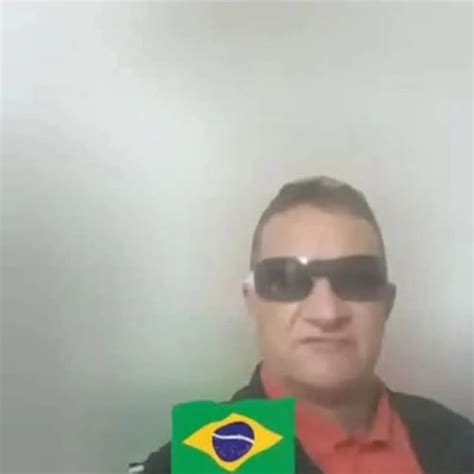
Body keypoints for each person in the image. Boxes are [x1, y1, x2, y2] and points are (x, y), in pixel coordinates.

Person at [142, 176, 473, 474]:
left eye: (356, 279)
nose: (327, 313)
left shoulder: (458, 442)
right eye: (287, 281)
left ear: (387, 304)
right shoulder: (191, 465)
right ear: (252, 303)